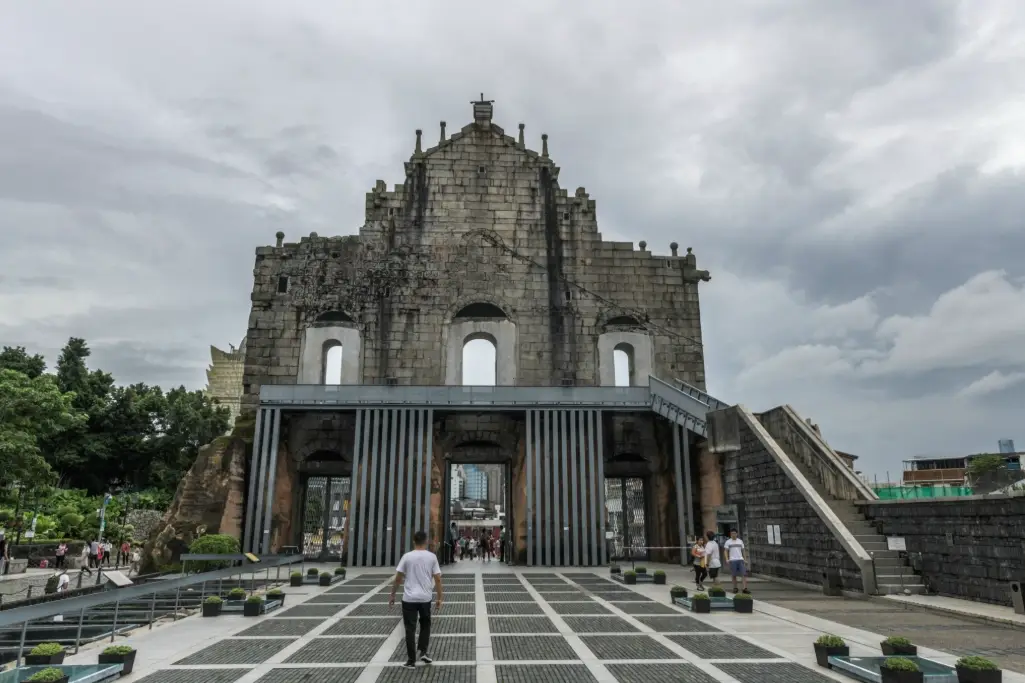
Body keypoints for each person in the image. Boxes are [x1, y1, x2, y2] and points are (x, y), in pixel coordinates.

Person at [389, 530, 443, 669]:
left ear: (414, 541)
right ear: (426, 541)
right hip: (425, 598)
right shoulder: (432, 557)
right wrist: (439, 598)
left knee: (410, 629)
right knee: (425, 626)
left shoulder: (407, 557)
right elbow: (437, 578)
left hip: (409, 598)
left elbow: (398, 578)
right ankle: (423, 652)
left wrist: (393, 594)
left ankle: (411, 660)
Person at [723, 529, 748, 593]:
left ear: (737, 534)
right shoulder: (728, 542)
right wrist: (727, 559)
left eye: (734, 533)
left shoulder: (740, 541)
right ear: (730, 534)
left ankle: (744, 588)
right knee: (734, 575)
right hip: (732, 560)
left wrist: (745, 559)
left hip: (740, 559)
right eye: (732, 533)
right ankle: (735, 588)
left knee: (744, 574)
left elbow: (743, 550)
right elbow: (725, 551)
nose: (733, 535)